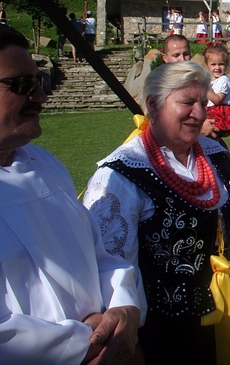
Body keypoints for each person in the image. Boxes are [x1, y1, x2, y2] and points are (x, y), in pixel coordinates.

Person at [83, 61, 230, 364]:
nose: (199, 113)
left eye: (202, 103)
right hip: (167, 338)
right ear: (153, 106)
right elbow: (108, 271)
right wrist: (129, 344)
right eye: (187, 102)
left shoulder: (216, 154)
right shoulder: (120, 175)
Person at [0, 25, 142, 363]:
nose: (40, 98)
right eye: (22, 86)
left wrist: (123, 306)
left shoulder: (45, 165)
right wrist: (84, 345)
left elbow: (98, 253)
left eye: (38, 84)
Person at [205, 44, 230, 138]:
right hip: (209, 111)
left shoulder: (223, 80)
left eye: (221, 64)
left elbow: (217, 100)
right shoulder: (210, 80)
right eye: (213, 64)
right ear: (207, 66)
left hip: (218, 113)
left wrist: (204, 88)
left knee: (212, 135)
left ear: (226, 65)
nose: (217, 68)